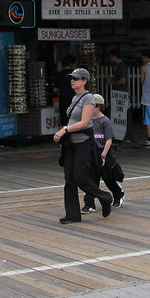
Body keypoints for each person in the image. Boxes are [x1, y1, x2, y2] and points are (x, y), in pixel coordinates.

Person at [52, 67, 113, 224]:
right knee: (69, 179)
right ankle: (72, 214)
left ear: (85, 81)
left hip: (83, 143)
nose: (73, 80)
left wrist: (64, 130)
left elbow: (85, 123)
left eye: (76, 78)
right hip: (71, 143)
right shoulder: (75, 98)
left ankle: (104, 197)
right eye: (71, 78)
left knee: (80, 177)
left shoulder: (89, 99)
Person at [81, 94, 125, 213]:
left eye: (93, 106)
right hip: (92, 153)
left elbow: (109, 140)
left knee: (108, 177)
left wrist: (103, 155)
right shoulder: (87, 121)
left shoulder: (105, 121)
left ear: (99, 107)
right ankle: (89, 203)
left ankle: (118, 195)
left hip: (103, 152)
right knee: (91, 179)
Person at [55, 56, 78, 126]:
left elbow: (55, 89)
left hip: (63, 100)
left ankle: (64, 135)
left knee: (64, 120)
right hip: (74, 100)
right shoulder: (75, 74)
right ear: (70, 64)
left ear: (61, 65)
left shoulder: (59, 75)